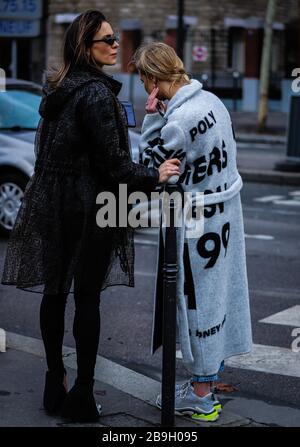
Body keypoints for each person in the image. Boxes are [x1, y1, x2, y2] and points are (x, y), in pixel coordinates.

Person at [0, 12, 180, 423]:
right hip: (91, 207)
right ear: (85, 48)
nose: (116, 44)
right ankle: (82, 393)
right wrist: (156, 173)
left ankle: (54, 381)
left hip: (51, 202)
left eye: (116, 37)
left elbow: (47, 153)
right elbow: (116, 167)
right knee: (85, 298)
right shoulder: (98, 95)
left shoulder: (57, 89)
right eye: (107, 39)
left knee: (54, 293)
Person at [131, 42, 253, 422]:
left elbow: (149, 163)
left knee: (195, 303)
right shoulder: (213, 102)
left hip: (196, 224)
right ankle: (208, 383)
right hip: (226, 216)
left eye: (143, 79)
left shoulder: (177, 122)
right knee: (218, 299)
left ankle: (201, 397)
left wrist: (151, 116)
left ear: (152, 79)